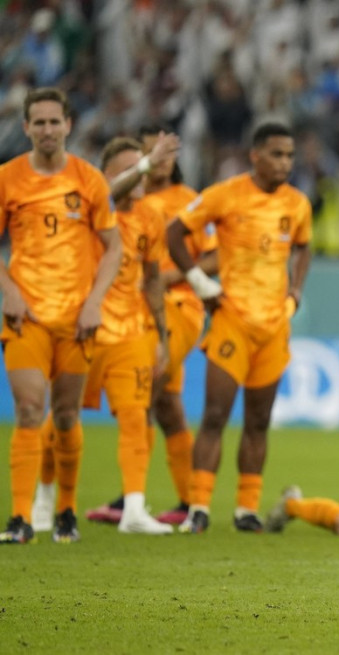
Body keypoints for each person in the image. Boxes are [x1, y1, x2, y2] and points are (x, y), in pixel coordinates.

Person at [166, 122, 312, 534]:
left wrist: (296, 292)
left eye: (289, 155)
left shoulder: (298, 204)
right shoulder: (225, 195)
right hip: (232, 320)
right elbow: (175, 233)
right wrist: (199, 282)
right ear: (255, 155)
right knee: (215, 415)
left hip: (273, 326)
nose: (285, 162)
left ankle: (246, 509)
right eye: (277, 154)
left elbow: (303, 246)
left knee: (258, 421)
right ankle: (198, 507)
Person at [0, 88, 122, 544]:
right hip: (25, 317)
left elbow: (114, 247)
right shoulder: (7, 178)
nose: (48, 130)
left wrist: (94, 302)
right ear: (27, 127)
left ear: (69, 125)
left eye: (55, 121)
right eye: (39, 122)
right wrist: (9, 292)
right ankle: (19, 518)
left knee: (67, 416)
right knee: (30, 410)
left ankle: (67, 510)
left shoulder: (89, 180)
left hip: (76, 320)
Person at [35, 138, 174, 535]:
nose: (142, 174)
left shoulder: (151, 217)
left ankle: (133, 508)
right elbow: (105, 193)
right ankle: (44, 499)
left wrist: (161, 335)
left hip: (130, 333)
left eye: (143, 165)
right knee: (61, 419)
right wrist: (146, 164)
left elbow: (151, 280)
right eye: (132, 167)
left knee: (135, 418)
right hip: (84, 328)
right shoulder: (90, 209)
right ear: (109, 177)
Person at [84, 123, 210, 526]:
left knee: (143, 390)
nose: (160, 160)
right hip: (128, 313)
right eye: (151, 152)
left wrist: (174, 277)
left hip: (177, 306)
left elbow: (215, 256)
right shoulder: (125, 202)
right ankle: (188, 502)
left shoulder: (189, 201)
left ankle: (131, 500)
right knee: (167, 405)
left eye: (167, 152)